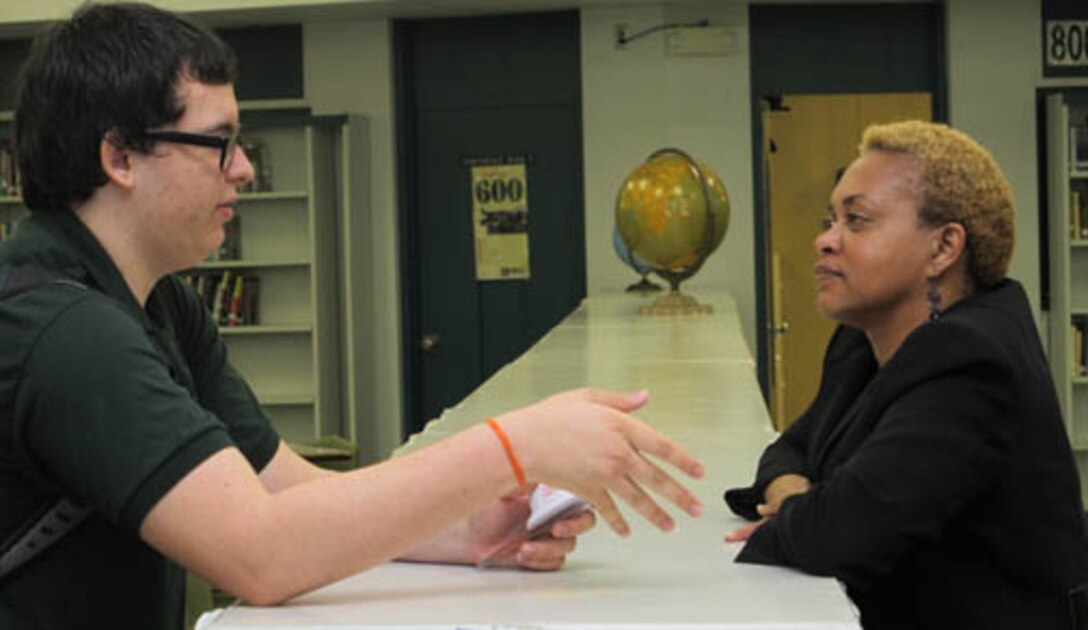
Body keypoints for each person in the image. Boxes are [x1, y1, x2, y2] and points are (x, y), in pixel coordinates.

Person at [0, 4, 705, 628]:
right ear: (120, 157)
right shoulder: (67, 334)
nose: (244, 169)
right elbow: (261, 552)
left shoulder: (160, 303)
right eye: (220, 143)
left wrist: (472, 529)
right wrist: (516, 446)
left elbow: (286, 487)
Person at [724, 120, 1088, 629]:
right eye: (830, 219)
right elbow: (790, 451)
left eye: (857, 220)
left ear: (943, 249)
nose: (824, 240)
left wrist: (800, 509)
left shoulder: (971, 360)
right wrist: (797, 496)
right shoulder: (862, 339)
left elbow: (838, 533)